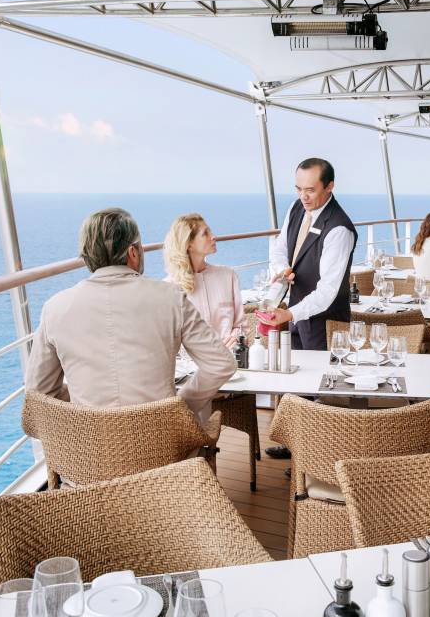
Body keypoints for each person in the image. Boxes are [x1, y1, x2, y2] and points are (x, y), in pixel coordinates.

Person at [24, 208, 237, 422]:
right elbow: (221, 364)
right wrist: (181, 406)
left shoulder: (55, 309)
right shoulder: (171, 298)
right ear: (133, 252)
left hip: (90, 440)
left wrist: (84, 405)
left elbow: (37, 394)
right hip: (162, 436)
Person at [263, 158, 357, 460]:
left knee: (322, 389)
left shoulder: (339, 229)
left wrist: (290, 313)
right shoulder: (296, 208)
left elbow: (328, 292)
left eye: (310, 190)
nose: (303, 196)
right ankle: (296, 448)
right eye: (299, 189)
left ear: (330, 187)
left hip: (325, 319)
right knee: (296, 382)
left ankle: (320, 459)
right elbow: (280, 246)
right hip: (297, 310)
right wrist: (282, 268)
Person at [164, 213, 244, 348]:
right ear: (188, 244)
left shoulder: (228, 276)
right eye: (205, 234)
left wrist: (236, 338)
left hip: (229, 356)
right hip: (191, 360)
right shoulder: (169, 288)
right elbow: (169, 337)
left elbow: (241, 325)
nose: (213, 236)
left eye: (210, 231)